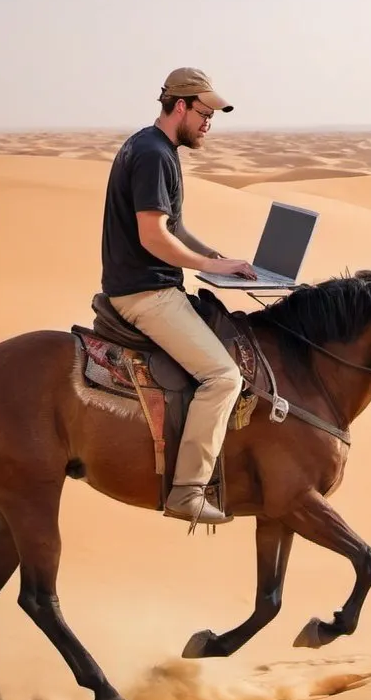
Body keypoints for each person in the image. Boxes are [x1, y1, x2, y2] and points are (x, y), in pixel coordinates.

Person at [101, 67, 257, 526]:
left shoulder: (154, 147)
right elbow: (153, 238)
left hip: (151, 284)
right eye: (205, 113)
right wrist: (209, 268)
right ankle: (187, 492)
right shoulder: (153, 156)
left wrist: (220, 259)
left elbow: (175, 227)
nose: (210, 123)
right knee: (224, 377)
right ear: (181, 106)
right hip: (145, 293)